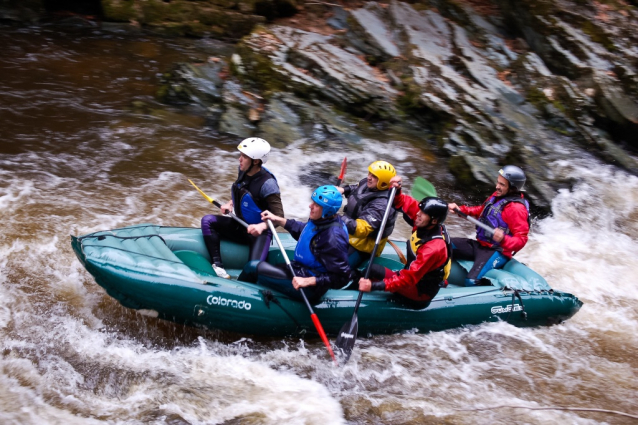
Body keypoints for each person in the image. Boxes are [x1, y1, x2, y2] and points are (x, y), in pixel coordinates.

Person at [358, 176, 452, 303]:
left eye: (423, 213)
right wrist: (396, 190)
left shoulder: (433, 248)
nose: (418, 214)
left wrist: (374, 286)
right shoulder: (425, 222)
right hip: (417, 276)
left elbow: (409, 279)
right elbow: (402, 202)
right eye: (420, 210)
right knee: (369, 270)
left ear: (434, 221)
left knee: (372, 271)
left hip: (419, 291)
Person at [201, 137, 284, 278]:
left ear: (256, 161)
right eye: (241, 155)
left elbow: (279, 217)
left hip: (259, 234)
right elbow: (242, 193)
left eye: (244, 157)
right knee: (207, 221)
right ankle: (218, 267)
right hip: (239, 225)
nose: (240, 159)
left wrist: (261, 227)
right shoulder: (243, 171)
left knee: (252, 268)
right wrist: (230, 204)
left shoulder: (268, 184)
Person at [256, 185, 351, 303]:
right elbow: (304, 231)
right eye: (312, 202)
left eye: (316, 205)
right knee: (269, 263)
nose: (310, 206)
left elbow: (342, 278)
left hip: (309, 288)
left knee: (254, 267)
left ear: (327, 210)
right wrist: (278, 219)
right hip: (300, 270)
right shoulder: (322, 220)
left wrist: (309, 281)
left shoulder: (333, 238)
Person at [447, 165, 530, 286]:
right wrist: (461, 210)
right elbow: (481, 210)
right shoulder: (497, 196)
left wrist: (503, 239)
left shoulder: (516, 209)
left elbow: (521, 240)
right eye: (498, 182)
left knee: (471, 281)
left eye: (502, 184)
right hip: (480, 245)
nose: (497, 186)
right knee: (442, 244)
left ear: (512, 188)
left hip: (496, 251)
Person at [338, 161, 398, 268]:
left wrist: (337, 219)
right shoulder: (369, 184)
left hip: (362, 246)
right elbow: (357, 189)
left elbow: (362, 229)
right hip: (348, 234)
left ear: (383, 182)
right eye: (369, 173)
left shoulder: (382, 204)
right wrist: (343, 189)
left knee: (337, 266)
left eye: (374, 176)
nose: (369, 177)